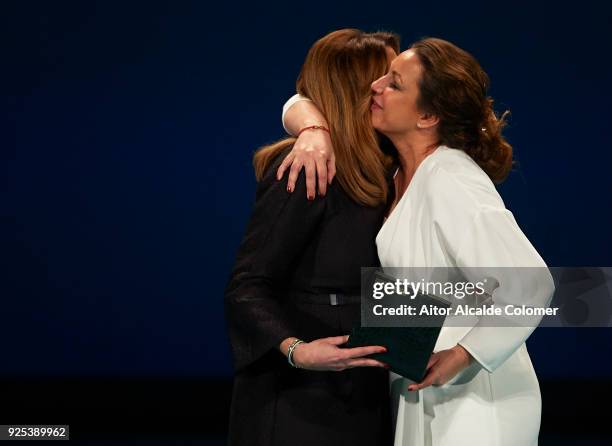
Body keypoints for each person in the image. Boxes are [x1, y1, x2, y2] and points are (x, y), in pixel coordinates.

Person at [279, 38, 555, 446]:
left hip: (477, 402)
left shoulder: (451, 178)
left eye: (394, 83)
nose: (375, 86)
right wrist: (312, 127)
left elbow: (533, 284)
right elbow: (296, 102)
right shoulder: (397, 175)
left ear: (426, 115)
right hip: (423, 388)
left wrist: (464, 355)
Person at [224, 29, 401, 446]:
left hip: (368, 390)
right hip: (302, 403)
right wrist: (296, 350)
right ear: (360, 91)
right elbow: (247, 286)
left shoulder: (392, 164)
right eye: (387, 78)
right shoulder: (307, 168)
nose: (391, 88)